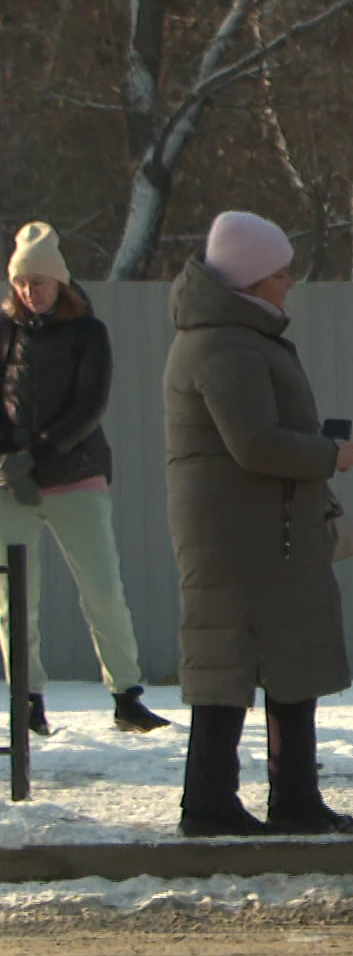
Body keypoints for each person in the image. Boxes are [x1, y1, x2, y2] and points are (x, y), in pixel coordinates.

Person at [165, 211, 353, 837]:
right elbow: (253, 444)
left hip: (266, 531)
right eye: (281, 273)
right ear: (250, 280)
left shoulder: (242, 336)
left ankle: (290, 798)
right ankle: (213, 804)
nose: (290, 283)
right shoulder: (224, 343)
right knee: (231, 663)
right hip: (242, 539)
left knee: (285, 657)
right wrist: (328, 455)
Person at [1, 223, 169, 737]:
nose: (32, 292)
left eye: (41, 282)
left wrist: (38, 453)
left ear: (61, 283)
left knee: (102, 588)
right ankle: (27, 698)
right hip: (11, 482)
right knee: (13, 601)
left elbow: (90, 404)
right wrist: (9, 460)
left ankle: (126, 694)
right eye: (23, 282)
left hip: (74, 474)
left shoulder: (87, 332)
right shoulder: (4, 331)